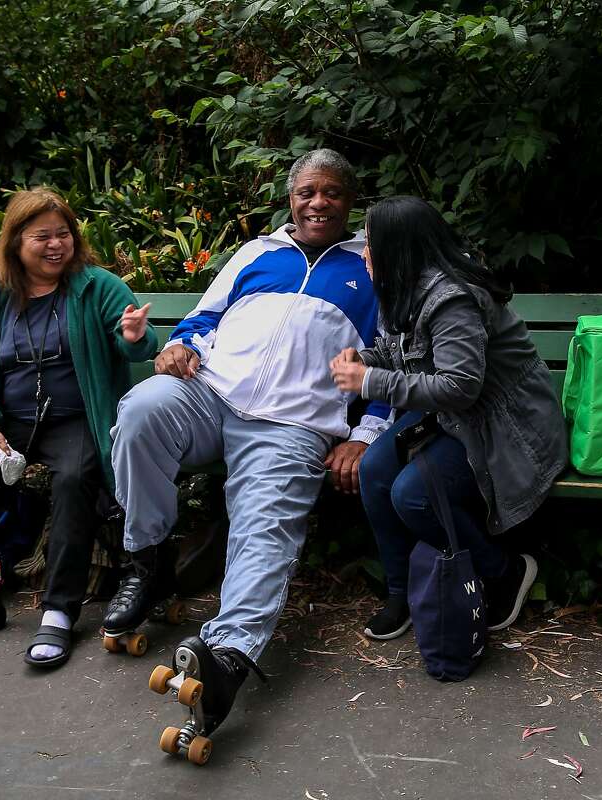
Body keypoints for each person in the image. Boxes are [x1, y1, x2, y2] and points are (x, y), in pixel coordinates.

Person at [108, 149, 390, 735]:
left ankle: (228, 658)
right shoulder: (256, 254)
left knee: (265, 523)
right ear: (291, 197)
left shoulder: (372, 266)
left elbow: (393, 361)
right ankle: (151, 563)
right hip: (210, 396)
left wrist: (364, 434)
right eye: (308, 191)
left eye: (332, 192)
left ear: (349, 200)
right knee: (141, 409)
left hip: (295, 423)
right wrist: (178, 345)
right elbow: (202, 319)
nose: (319, 203)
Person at [0, 187, 158, 670]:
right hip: (12, 421)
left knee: (76, 480)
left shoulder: (97, 287)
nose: (56, 245)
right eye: (42, 237)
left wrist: (136, 336)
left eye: (64, 235)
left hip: (74, 418)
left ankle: (59, 609)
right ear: (16, 242)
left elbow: (135, 342)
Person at [330, 195, 568, 641]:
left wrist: (369, 382)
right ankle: (401, 591)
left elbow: (460, 387)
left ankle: (504, 571)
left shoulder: (452, 299)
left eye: (370, 243)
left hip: (503, 426)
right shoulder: (404, 288)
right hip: (454, 417)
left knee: (414, 495)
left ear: (397, 249)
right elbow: (403, 352)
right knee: (375, 471)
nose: (363, 252)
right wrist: (364, 359)